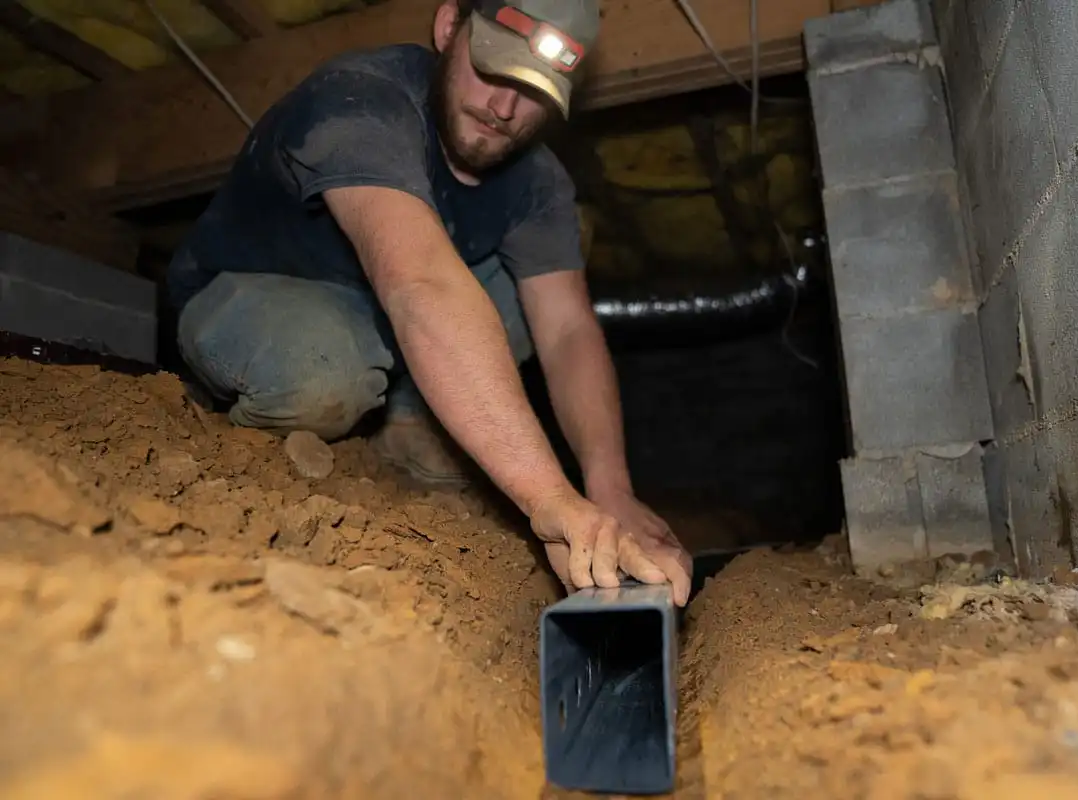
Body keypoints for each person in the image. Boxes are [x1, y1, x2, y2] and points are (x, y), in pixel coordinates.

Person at [164, 0, 693, 605]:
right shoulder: (360, 101)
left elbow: (568, 329)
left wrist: (609, 488)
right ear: (449, 28)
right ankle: (249, 456)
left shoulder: (537, 181)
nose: (505, 109)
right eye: (493, 71)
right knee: (319, 372)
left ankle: (407, 429)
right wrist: (549, 498)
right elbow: (419, 284)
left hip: (387, 314)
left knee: (538, 283)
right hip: (250, 297)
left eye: (534, 91)